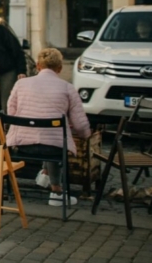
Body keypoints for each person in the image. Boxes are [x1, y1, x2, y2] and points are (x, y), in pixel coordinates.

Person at [5, 48, 91, 207]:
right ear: (60, 68)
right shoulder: (67, 87)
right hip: (53, 148)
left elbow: (11, 113)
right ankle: (56, 192)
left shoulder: (21, 84)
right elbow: (80, 123)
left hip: (23, 146)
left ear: (38, 66)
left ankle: (44, 175)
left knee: (47, 136)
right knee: (54, 142)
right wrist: (86, 136)